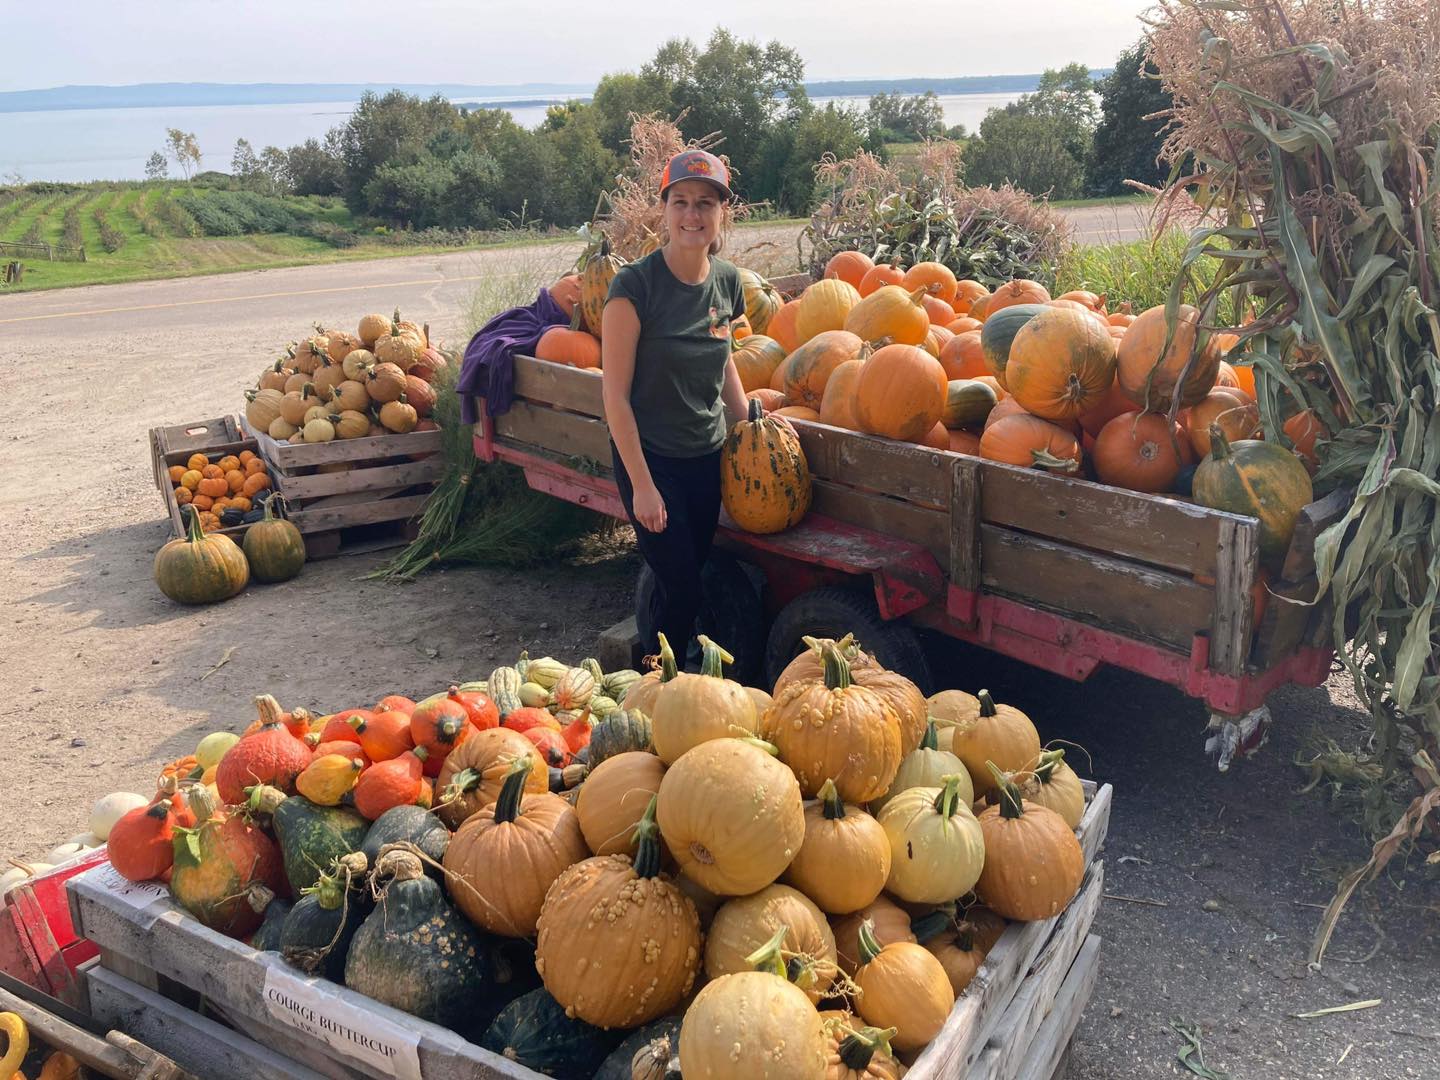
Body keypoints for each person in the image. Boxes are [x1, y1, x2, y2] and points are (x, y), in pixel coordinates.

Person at [600, 148, 755, 662]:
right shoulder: (634, 287)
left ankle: (677, 675)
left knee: (694, 572)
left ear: (721, 213)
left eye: (706, 203)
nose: (693, 215)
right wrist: (642, 487)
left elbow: (723, 357)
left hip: (705, 456)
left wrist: (749, 423)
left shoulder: (728, 281)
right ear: (664, 211)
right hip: (651, 458)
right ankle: (652, 682)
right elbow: (615, 397)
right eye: (682, 202)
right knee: (682, 584)